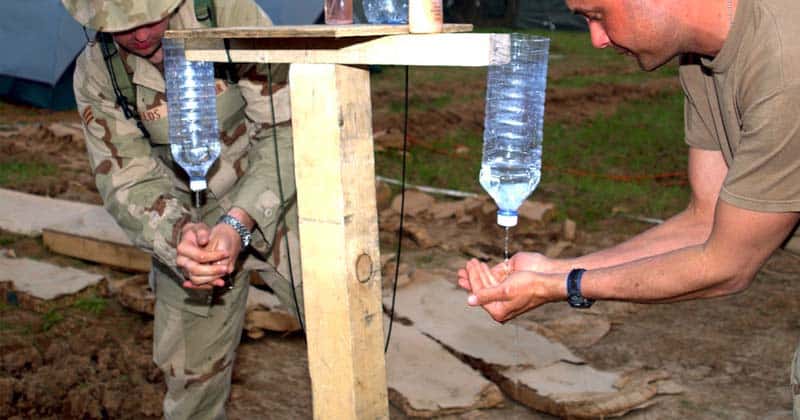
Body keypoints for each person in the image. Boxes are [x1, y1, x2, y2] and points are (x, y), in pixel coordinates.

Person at [458, 0, 800, 413]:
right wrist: (552, 270)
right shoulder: (700, 57)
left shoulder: (786, 61)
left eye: (597, 15)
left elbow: (727, 265)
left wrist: (559, 287)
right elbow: (705, 220)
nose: (597, 40)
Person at [61, 0, 303, 418]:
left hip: (280, 198)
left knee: (347, 338)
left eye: (149, 18)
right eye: (122, 27)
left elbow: (288, 131)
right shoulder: (99, 71)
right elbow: (128, 181)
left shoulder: (229, 16)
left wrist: (239, 223)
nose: (139, 36)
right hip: (190, 221)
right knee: (191, 383)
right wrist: (178, 241)